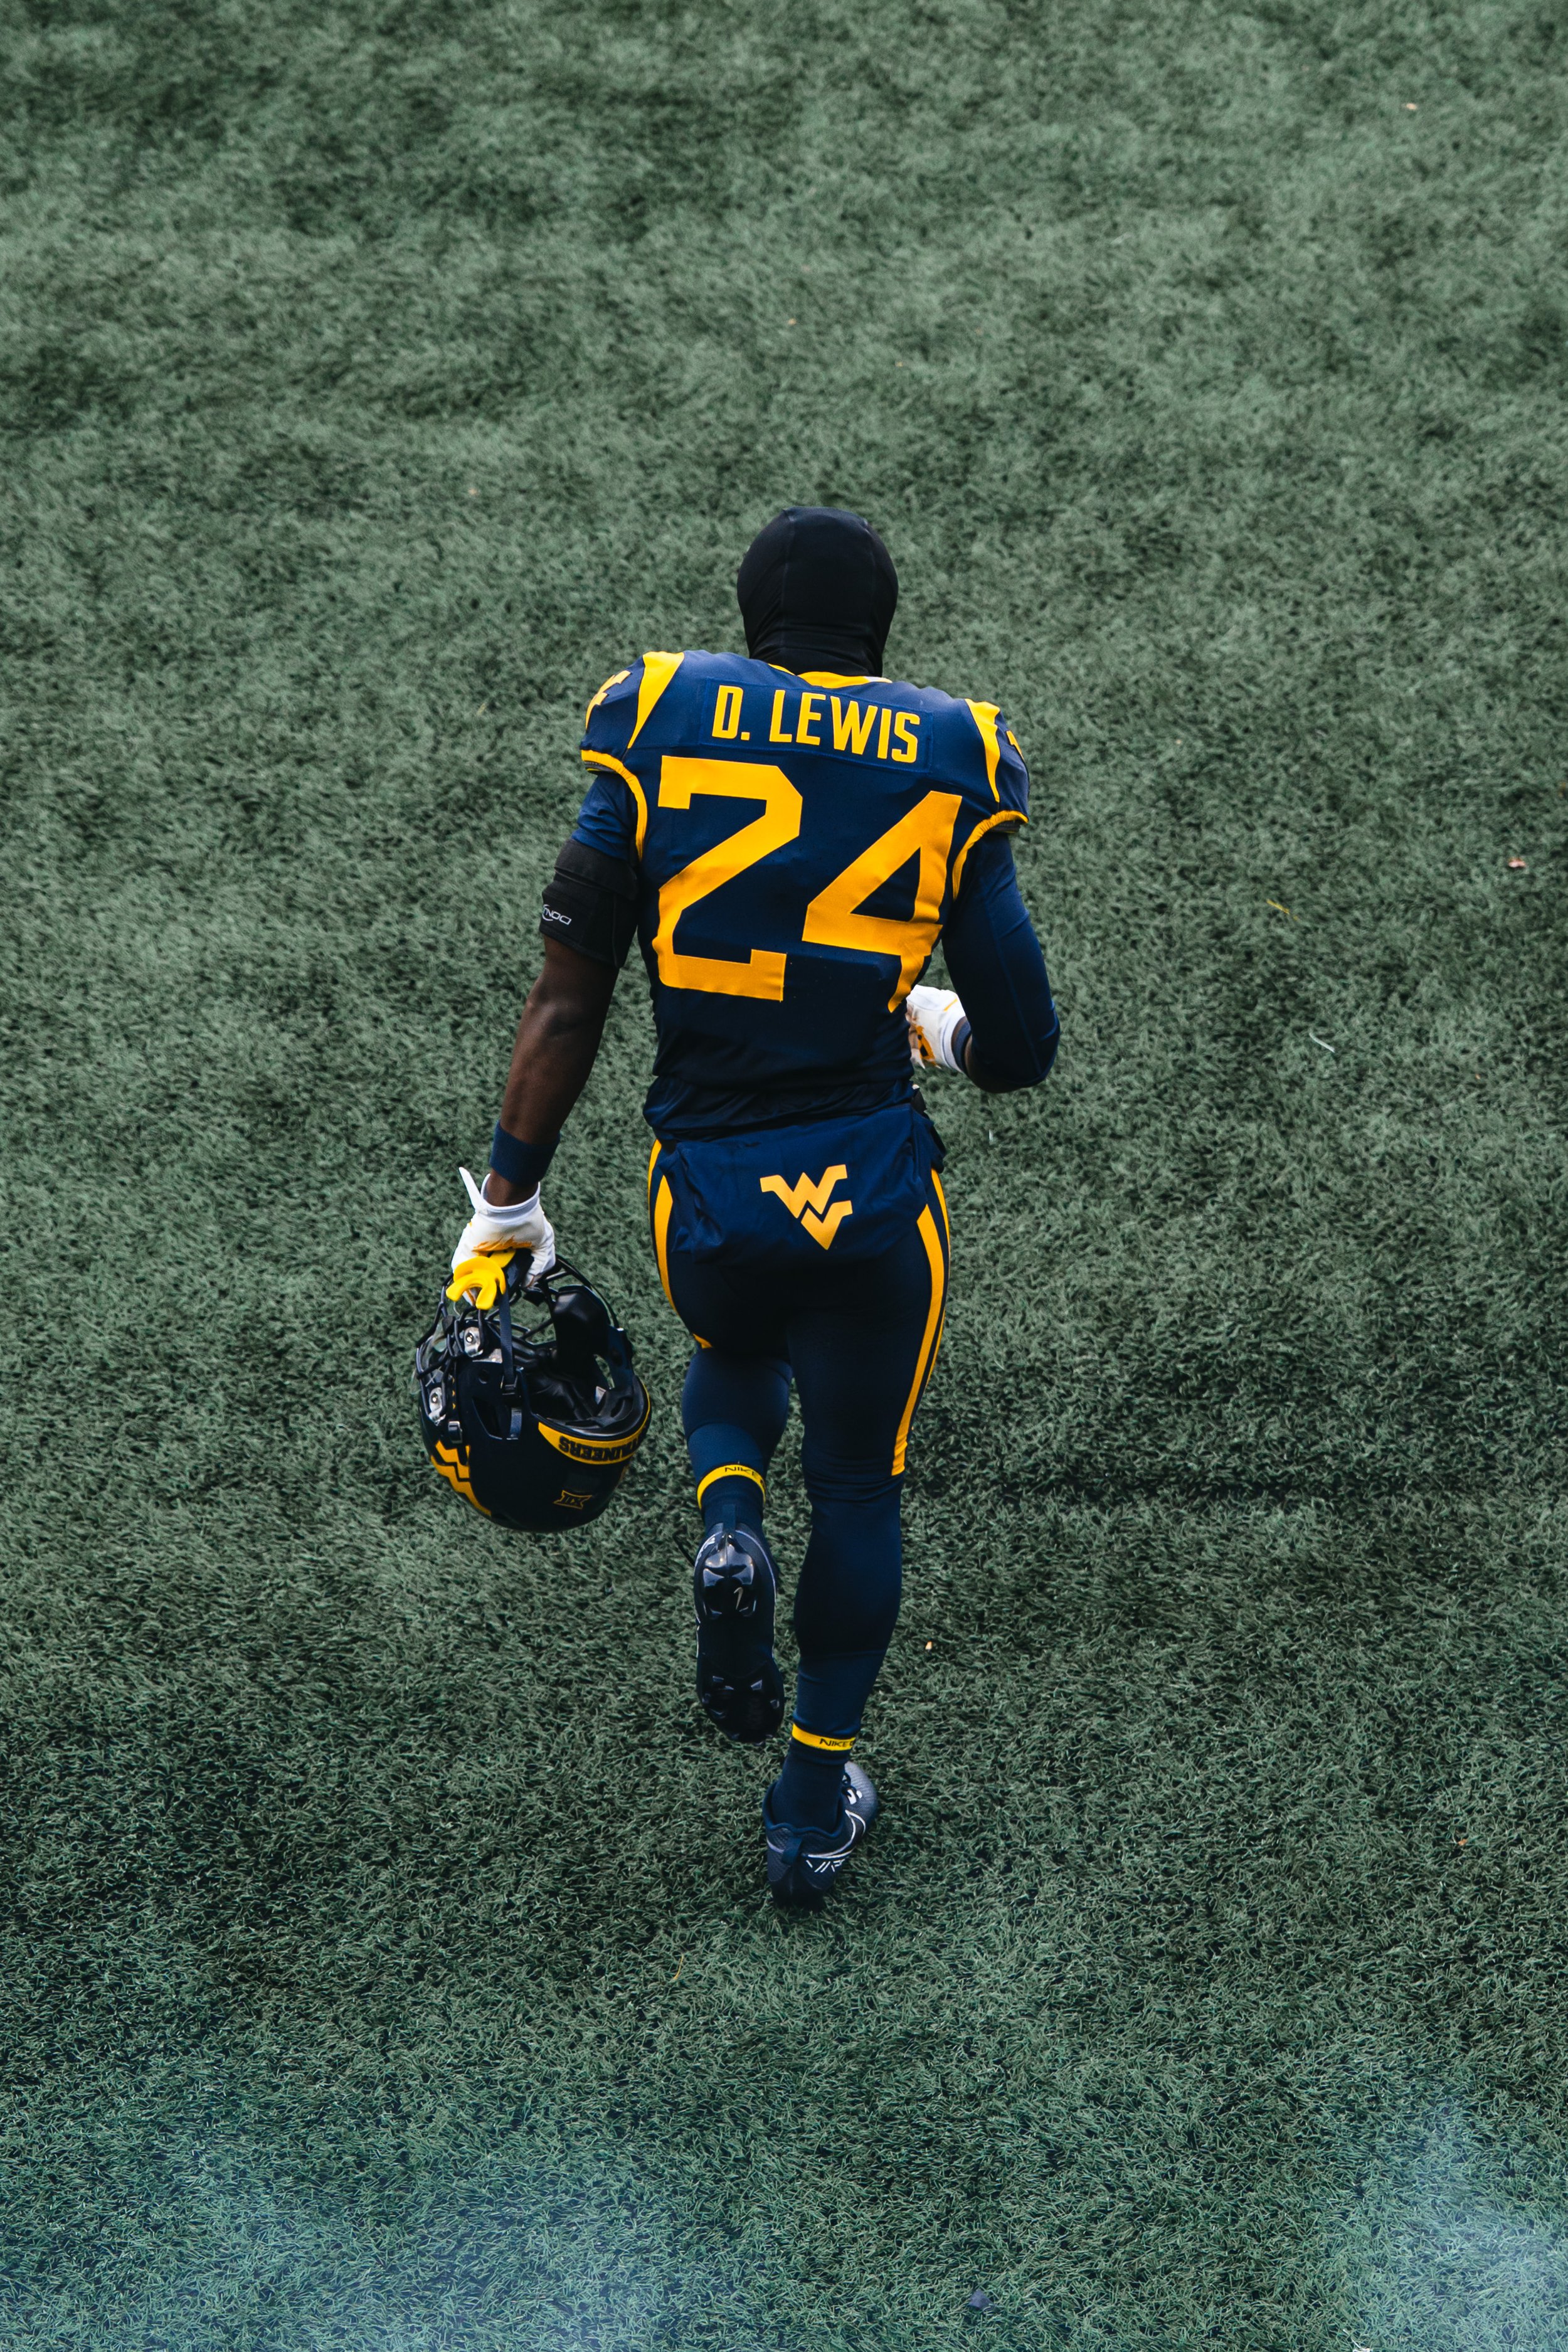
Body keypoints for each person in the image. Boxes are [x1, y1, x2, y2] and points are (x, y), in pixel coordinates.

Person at [450, 506, 1059, 1904]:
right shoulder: (955, 753)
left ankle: (729, 1520)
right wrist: (934, 1023)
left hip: (709, 1195)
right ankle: (808, 1801)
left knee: (731, 1343)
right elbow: (1022, 1049)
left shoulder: (657, 717)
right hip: (872, 1200)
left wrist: (508, 1202)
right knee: (857, 1480)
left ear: (752, 628)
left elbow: (568, 997)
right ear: (879, 634)